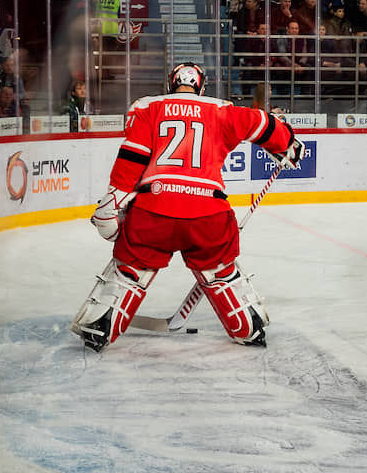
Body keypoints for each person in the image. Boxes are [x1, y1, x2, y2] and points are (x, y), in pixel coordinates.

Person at [70, 63, 304, 352]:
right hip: (208, 214)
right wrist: (288, 143)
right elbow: (262, 123)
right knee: (221, 272)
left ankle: (100, 327)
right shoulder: (222, 110)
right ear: (202, 87)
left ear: (171, 84)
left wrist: (110, 205)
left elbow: (131, 161)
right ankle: (249, 328)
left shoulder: (148, 109)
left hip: (154, 210)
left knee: (130, 269)